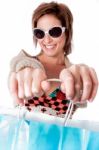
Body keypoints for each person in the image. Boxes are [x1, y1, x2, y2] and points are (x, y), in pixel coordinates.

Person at [8, 1, 98, 117]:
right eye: (40, 33)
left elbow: (81, 96)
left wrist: (81, 77)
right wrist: (24, 68)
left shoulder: (74, 74)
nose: (47, 40)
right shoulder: (24, 65)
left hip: (59, 135)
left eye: (54, 32)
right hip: (22, 134)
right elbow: (18, 67)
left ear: (67, 32)